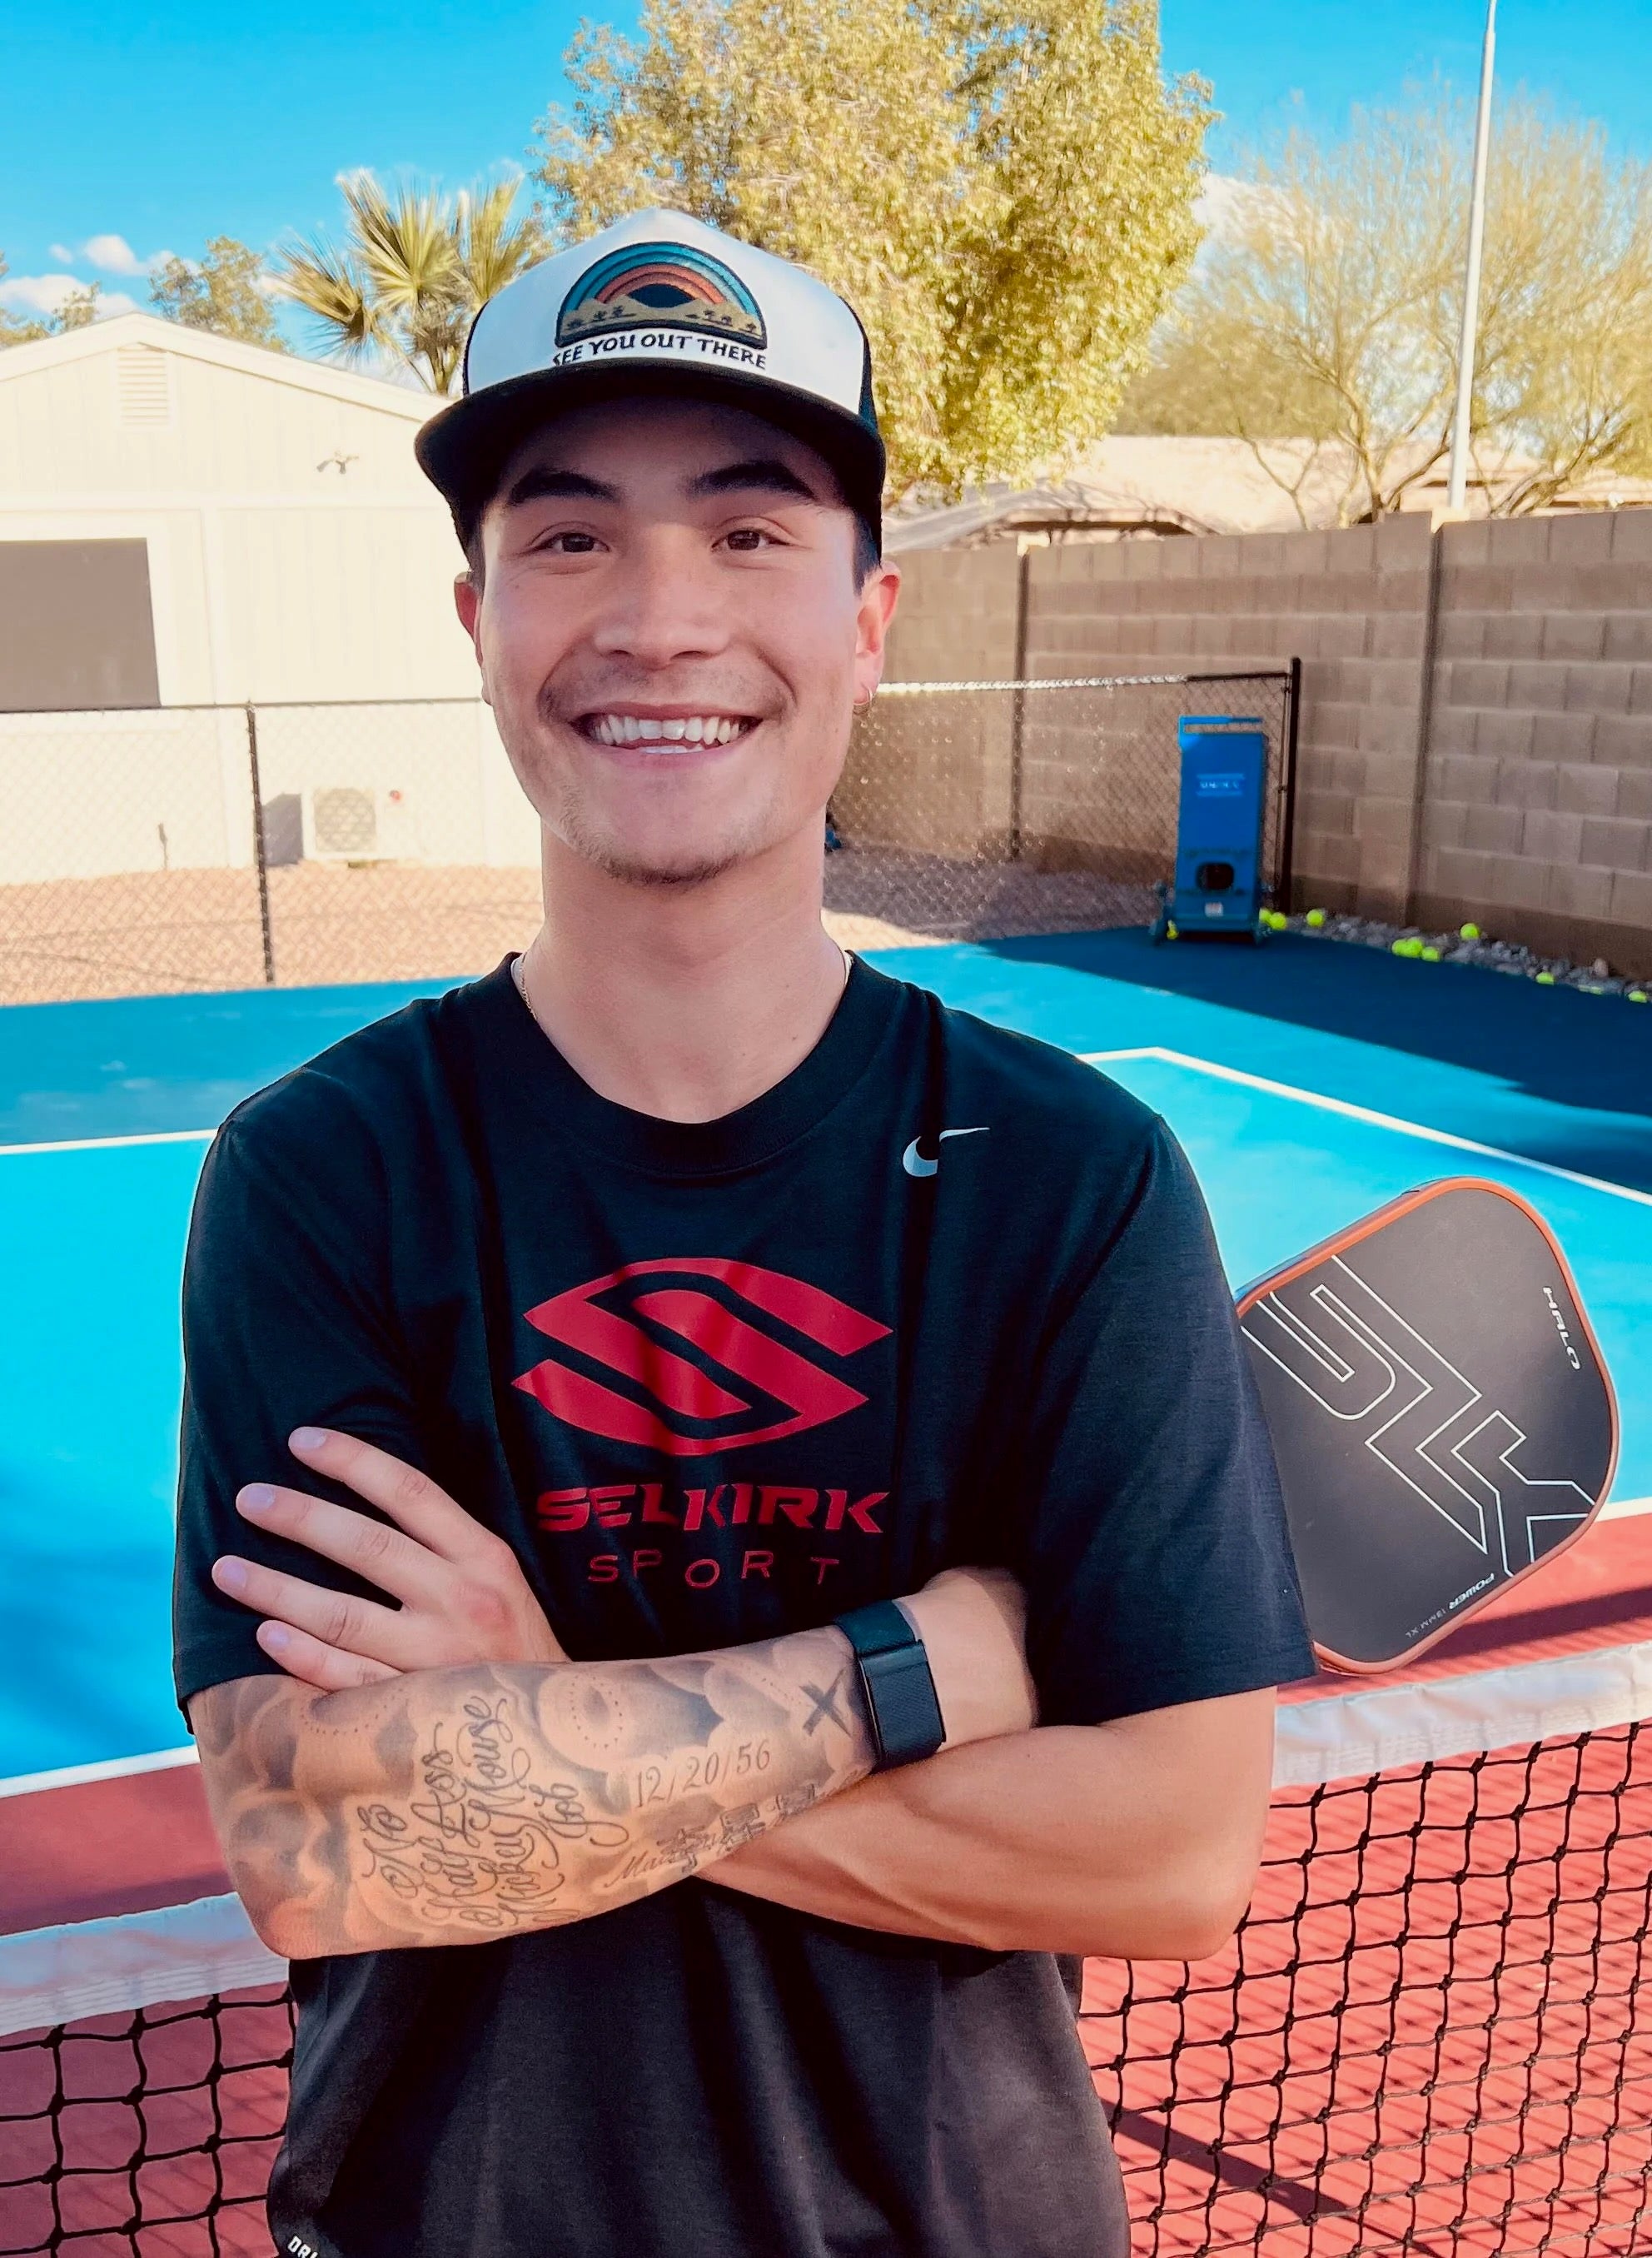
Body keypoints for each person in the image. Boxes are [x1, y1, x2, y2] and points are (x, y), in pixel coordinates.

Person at [172, 209, 1315, 2258]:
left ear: (868, 621)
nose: (660, 617)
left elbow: (1165, 1856)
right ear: (479, 614)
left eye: (749, 528)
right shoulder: (321, 1172)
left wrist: (532, 1723)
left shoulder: (1075, 1182)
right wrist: (917, 1665)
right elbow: (317, 1848)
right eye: (572, 534)